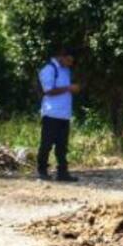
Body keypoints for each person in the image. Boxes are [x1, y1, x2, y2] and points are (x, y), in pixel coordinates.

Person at [37, 45, 79, 181]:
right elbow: (48, 90)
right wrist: (68, 88)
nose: (70, 64)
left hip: (64, 114)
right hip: (51, 114)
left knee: (62, 146)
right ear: (62, 56)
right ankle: (42, 171)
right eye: (68, 61)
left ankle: (62, 173)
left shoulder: (66, 70)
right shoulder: (49, 69)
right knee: (46, 144)